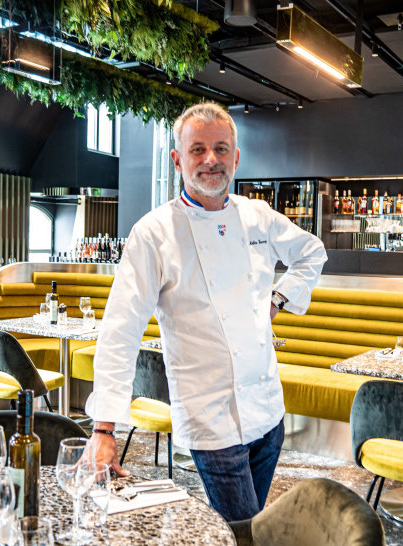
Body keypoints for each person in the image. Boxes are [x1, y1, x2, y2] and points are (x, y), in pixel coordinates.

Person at [85, 102, 327, 522]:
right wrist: (104, 430)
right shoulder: (153, 234)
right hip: (210, 419)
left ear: (236, 157)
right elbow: (120, 333)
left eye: (220, 148)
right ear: (178, 159)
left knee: (248, 528)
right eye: (197, 149)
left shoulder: (257, 216)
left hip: (267, 411)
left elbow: (312, 252)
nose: (210, 159)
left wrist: (278, 300)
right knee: (244, 530)